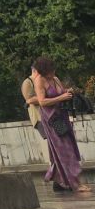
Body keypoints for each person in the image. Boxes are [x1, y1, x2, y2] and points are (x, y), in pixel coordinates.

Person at [32, 56, 90, 194]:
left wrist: (68, 92)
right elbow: (42, 101)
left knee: (67, 147)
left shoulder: (55, 79)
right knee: (65, 149)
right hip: (53, 120)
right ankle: (75, 183)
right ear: (43, 71)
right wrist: (60, 97)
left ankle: (61, 181)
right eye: (49, 71)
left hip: (62, 116)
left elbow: (62, 93)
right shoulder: (39, 81)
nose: (52, 73)